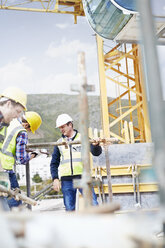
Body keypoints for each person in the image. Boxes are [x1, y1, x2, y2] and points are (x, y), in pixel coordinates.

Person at [50, 113, 102, 211]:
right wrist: (55, 178)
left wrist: (96, 145)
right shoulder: (59, 142)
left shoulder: (83, 138)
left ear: (70, 125)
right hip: (67, 180)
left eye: (63, 127)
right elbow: (54, 163)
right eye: (59, 128)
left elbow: (96, 153)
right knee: (70, 209)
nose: (61, 129)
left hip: (83, 177)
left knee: (93, 205)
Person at [1, 111, 42, 208]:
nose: (27, 131)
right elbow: (22, 159)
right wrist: (34, 154)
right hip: (5, 171)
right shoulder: (21, 132)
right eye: (29, 129)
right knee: (15, 203)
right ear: (27, 124)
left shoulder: (9, 122)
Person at [0, 87, 27, 210]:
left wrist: (2, 179)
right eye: (17, 111)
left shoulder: (4, 125)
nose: (17, 116)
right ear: (8, 104)